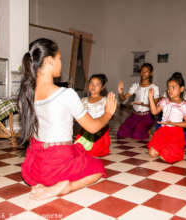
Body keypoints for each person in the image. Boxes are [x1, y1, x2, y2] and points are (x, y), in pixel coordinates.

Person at [18, 38, 117, 200]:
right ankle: (66, 186)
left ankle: (41, 183)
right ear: (49, 61)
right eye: (59, 59)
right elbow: (92, 127)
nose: (61, 63)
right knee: (97, 167)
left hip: (35, 165)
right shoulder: (66, 94)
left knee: (77, 150)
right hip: (57, 162)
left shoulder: (27, 95)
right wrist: (107, 114)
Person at [147, 73, 186, 163]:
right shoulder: (164, 101)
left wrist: (173, 123)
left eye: (173, 87)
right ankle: (166, 148)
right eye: (168, 87)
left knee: (165, 157)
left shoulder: (183, 105)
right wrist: (151, 98)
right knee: (152, 153)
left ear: (181, 89)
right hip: (163, 132)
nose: (170, 90)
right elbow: (154, 111)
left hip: (175, 133)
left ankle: (176, 151)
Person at [117, 63, 159, 140]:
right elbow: (123, 98)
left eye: (146, 71)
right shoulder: (135, 86)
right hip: (135, 115)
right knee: (121, 132)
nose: (143, 73)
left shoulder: (154, 87)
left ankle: (146, 130)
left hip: (147, 116)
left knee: (137, 135)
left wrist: (143, 104)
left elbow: (155, 106)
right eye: (142, 71)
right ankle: (139, 128)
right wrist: (120, 92)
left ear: (151, 73)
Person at [75, 74, 111, 157]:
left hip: (99, 133)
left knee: (93, 151)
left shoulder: (105, 100)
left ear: (102, 87)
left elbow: (108, 116)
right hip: (85, 131)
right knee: (77, 149)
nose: (93, 86)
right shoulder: (83, 100)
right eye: (91, 83)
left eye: (97, 84)